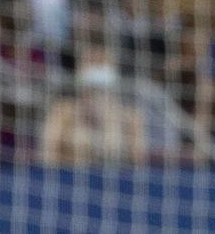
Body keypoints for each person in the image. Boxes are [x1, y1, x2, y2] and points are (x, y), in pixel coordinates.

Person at [40, 35, 147, 165]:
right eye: (91, 61)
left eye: (101, 61)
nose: (97, 66)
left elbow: (139, 163)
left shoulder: (131, 116)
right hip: (70, 180)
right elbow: (46, 157)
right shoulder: (63, 111)